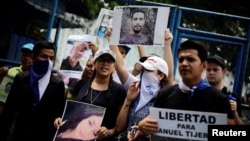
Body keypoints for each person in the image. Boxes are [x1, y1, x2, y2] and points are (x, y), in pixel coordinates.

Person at [137, 40, 235, 140]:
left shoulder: (219, 99)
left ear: (204, 66)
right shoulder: (164, 94)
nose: (184, 63)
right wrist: (143, 126)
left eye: (190, 59)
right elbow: (152, 126)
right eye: (181, 60)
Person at [108, 28, 174, 141]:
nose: (144, 73)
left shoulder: (164, 95)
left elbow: (169, 75)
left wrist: (167, 44)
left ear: (161, 76)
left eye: (148, 70)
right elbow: (121, 67)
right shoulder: (135, 87)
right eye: (142, 69)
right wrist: (112, 41)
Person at [54, 49, 127, 141]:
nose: (105, 64)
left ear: (114, 67)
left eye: (109, 61)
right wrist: (60, 119)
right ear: (95, 64)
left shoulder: (119, 90)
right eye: (101, 60)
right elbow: (69, 110)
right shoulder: (81, 84)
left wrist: (109, 132)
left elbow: (120, 125)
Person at [0, 41, 66, 141]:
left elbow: (59, 114)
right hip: (20, 135)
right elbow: (9, 110)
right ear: (34, 57)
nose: (48, 61)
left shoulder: (57, 85)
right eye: (44, 57)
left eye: (51, 58)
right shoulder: (21, 79)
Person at [206, 54, 243, 125]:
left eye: (215, 70)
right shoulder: (200, 94)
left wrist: (234, 112)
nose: (211, 72)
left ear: (224, 71)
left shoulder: (233, 97)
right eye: (208, 70)